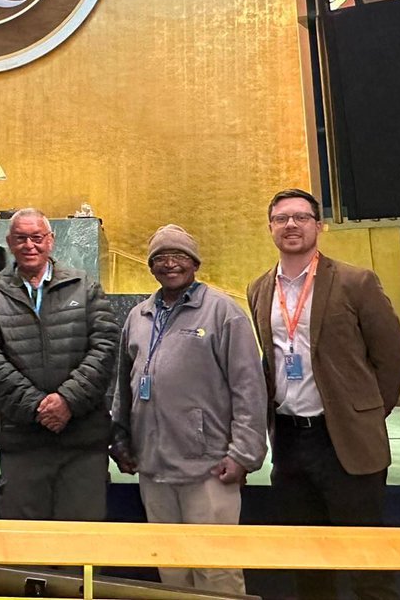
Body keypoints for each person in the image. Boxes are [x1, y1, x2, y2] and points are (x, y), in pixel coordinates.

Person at [247, 189, 400, 600]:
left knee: (367, 566)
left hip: (345, 442)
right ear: (270, 228)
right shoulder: (258, 289)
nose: (291, 225)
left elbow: (393, 355)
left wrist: (366, 413)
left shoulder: (356, 282)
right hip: (288, 440)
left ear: (319, 227)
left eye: (301, 217)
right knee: (308, 563)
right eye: (281, 218)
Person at [111, 225, 267, 595]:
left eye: (178, 256)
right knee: (172, 570)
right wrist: (121, 438)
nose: (169, 264)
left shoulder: (223, 313)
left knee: (217, 571)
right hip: (154, 468)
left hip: (209, 469)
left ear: (195, 263)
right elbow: (123, 383)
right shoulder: (139, 316)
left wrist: (244, 454)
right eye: (160, 258)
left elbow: (249, 387)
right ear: (150, 267)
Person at [0, 208, 119, 520]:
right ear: (9, 242)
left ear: (50, 241)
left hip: (82, 441)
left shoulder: (84, 286)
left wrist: (67, 401)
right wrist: (39, 406)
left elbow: (105, 347)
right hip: (22, 439)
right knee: (26, 548)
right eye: (21, 238)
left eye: (37, 237)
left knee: (82, 543)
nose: (29, 245)